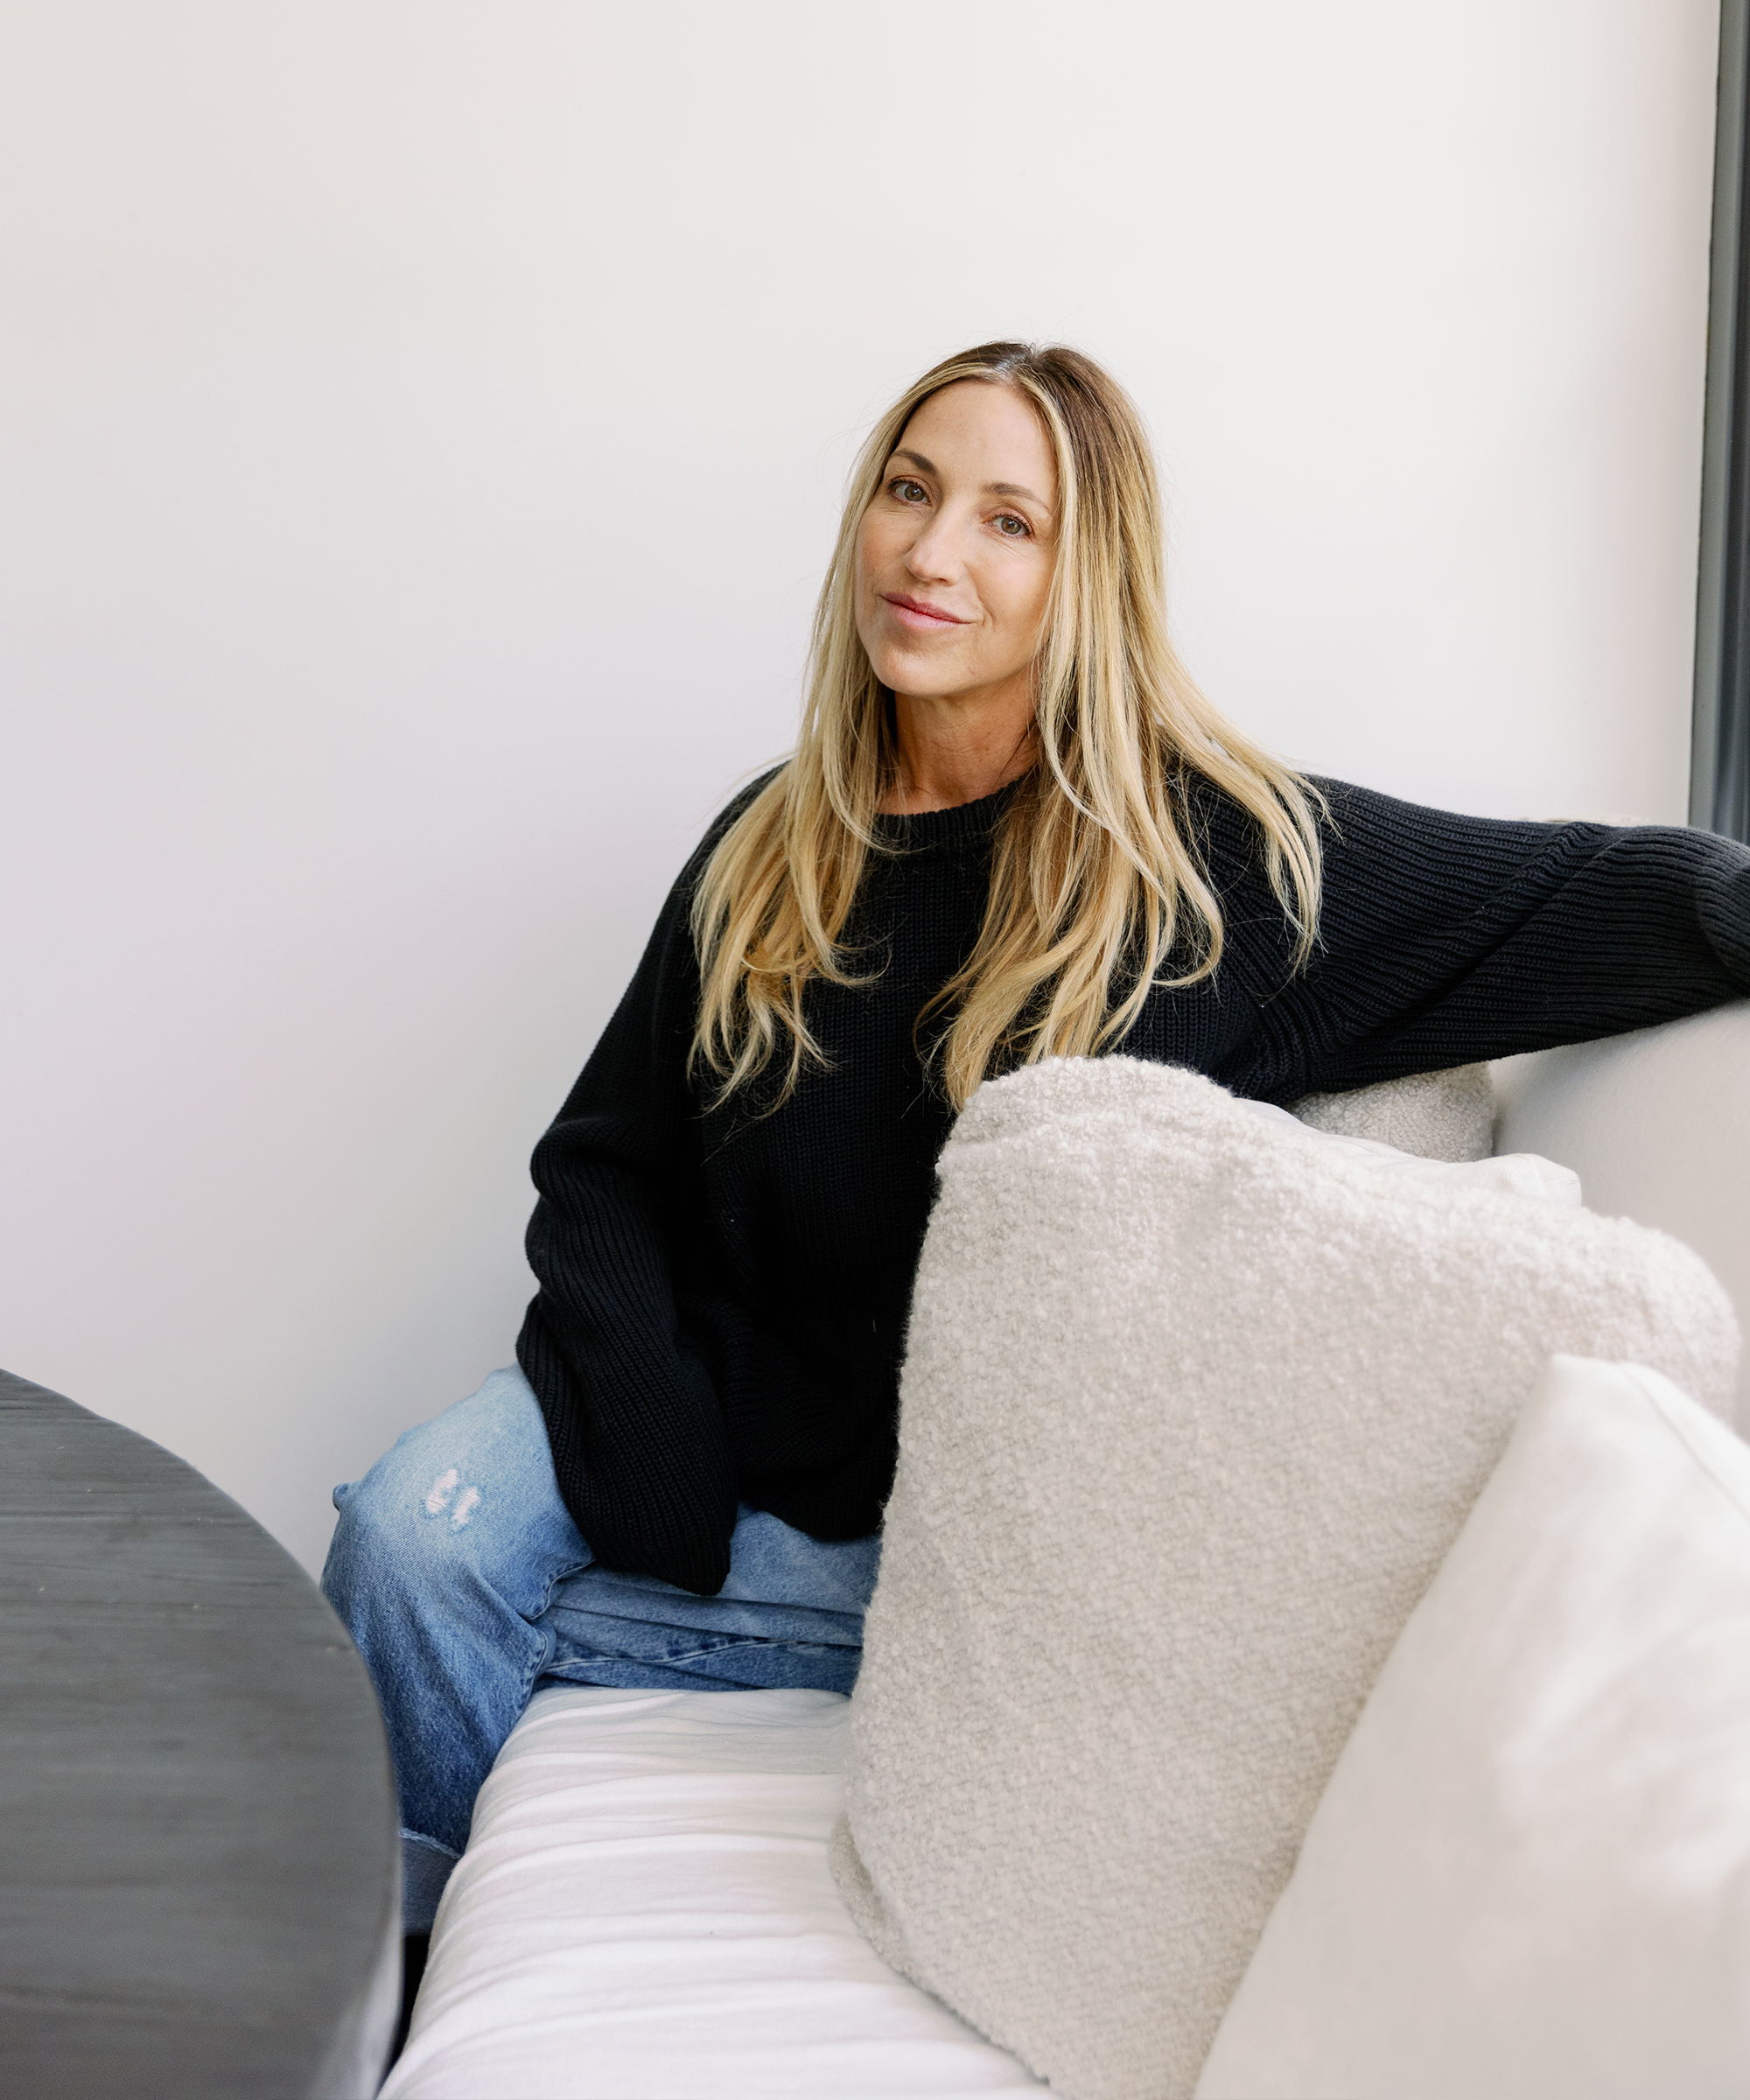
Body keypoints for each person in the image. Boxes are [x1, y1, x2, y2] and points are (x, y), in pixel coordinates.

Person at [323, 341, 1750, 1944]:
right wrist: (649, 1426)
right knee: (401, 1540)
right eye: (912, 491)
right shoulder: (770, 839)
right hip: (712, 1427)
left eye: (1011, 520)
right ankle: (389, 1958)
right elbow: (604, 1160)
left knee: (445, 1609)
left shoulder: (1210, 865)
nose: (934, 554)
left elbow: (1581, 897)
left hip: (947, 1534)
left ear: (1090, 576)